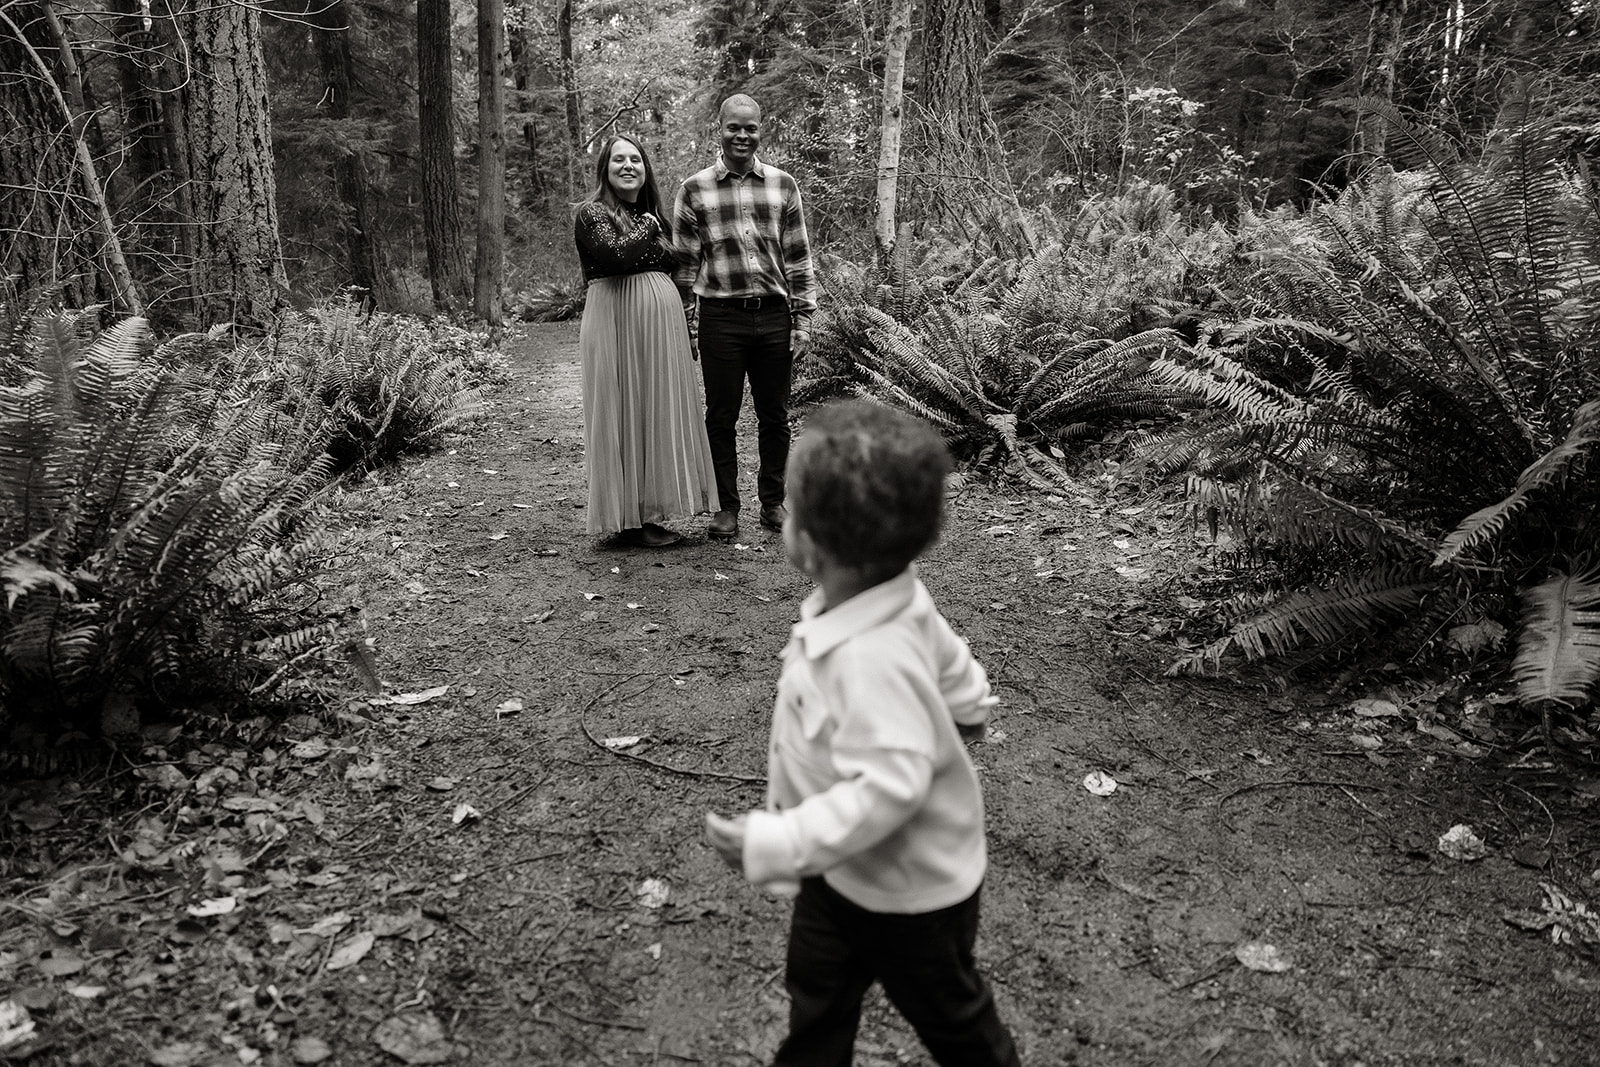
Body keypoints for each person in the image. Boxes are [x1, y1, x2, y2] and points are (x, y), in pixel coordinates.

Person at [705, 400, 1022, 1067]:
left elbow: (888, 789)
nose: (785, 517)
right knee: (816, 997)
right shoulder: (893, 591)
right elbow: (950, 655)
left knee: (953, 1016)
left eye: (789, 508)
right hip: (839, 872)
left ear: (812, 546)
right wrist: (967, 706)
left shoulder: (868, 657)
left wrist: (781, 840)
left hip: (912, 896)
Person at [672, 94, 817, 542]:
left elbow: (798, 256)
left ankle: (773, 503)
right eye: (734, 127)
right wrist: (687, 324)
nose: (742, 135)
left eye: (750, 128)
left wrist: (803, 318)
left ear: (761, 130)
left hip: (774, 316)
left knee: (775, 415)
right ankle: (726, 508)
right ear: (720, 129)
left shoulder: (783, 185)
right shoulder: (694, 189)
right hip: (721, 317)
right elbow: (684, 266)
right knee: (721, 416)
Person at [575, 133, 718, 547]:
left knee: (653, 411)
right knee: (621, 409)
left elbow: (676, 266)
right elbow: (615, 257)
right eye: (618, 159)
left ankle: (651, 512)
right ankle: (628, 519)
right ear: (605, 169)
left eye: (635, 159)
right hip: (614, 320)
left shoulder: (652, 217)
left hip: (658, 328)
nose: (628, 166)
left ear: (645, 170)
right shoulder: (592, 214)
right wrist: (650, 228)